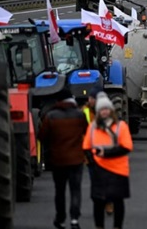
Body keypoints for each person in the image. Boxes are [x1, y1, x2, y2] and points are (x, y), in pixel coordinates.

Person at [39, 87, 89, 229]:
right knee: (75, 190)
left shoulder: (51, 116)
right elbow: (86, 131)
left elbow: (42, 136)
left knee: (59, 191)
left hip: (58, 160)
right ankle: (74, 220)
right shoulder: (79, 115)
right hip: (76, 159)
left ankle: (60, 218)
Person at [83, 93, 133, 229]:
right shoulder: (92, 127)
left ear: (111, 110)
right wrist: (93, 161)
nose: (104, 111)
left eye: (107, 109)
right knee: (98, 201)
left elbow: (127, 147)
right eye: (102, 109)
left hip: (118, 169)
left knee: (118, 201)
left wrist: (106, 153)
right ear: (98, 112)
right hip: (99, 169)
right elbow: (86, 146)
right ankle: (99, 226)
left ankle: (117, 226)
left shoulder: (121, 126)